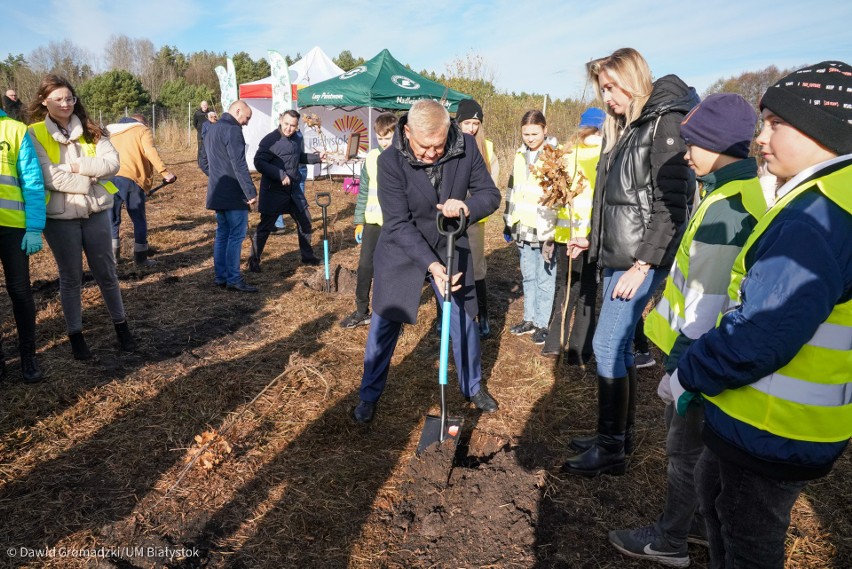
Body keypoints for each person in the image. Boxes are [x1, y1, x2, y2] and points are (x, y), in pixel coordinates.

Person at [669, 61, 852, 569]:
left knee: (749, 538)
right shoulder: (834, 198)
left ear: (823, 128)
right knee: (719, 504)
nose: (760, 138)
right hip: (776, 422)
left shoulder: (816, 218)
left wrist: (691, 371)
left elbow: (762, 332)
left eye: (775, 123)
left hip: (772, 427)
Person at [607, 93, 766, 567]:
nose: (686, 152)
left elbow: (706, 301)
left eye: (694, 143)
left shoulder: (727, 208)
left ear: (721, 145)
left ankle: (670, 540)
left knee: (683, 452)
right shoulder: (736, 192)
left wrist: (681, 372)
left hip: (697, 356)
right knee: (700, 454)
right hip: (711, 355)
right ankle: (696, 523)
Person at [563, 48, 698, 477]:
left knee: (605, 346)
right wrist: (591, 238)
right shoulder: (629, 127)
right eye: (601, 89)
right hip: (618, 255)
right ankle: (617, 435)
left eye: (610, 87)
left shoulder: (665, 123)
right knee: (617, 346)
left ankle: (611, 450)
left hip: (638, 260)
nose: (606, 98)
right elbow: (617, 198)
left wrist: (642, 265)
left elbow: (670, 205)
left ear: (631, 79)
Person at [353, 99, 501, 423]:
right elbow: (396, 223)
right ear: (407, 132)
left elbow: (491, 195)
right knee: (384, 323)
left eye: (438, 145)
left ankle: (472, 386)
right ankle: (369, 394)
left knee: (463, 319)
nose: (433, 153)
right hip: (402, 250)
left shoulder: (466, 147)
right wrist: (433, 268)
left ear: (448, 131)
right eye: (425, 147)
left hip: (450, 243)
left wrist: (465, 207)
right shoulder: (390, 161)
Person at [27, 74, 137, 360]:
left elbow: (112, 164)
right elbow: (47, 175)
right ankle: (76, 336)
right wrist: (89, 180)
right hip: (60, 218)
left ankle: (121, 327)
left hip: (96, 211)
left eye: (69, 98)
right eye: (59, 99)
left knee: (107, 272)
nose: (65, 104)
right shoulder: (34, 133)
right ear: (45, 101)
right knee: (70, 277)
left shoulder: (92, 130)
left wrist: (77, 166)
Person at [540, 108, 604, 365]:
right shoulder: (606, 156)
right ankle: (580, 350)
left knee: (564, 288)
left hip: (565, 235)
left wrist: (548, 235)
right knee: (588, 289)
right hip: (592, 235)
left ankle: (554, 343)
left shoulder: (565, 155)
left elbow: (552, 200)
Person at [504, 110, 559, 345]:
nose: (530, 138)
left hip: (545, 227)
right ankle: (529, 319)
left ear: (545, 130)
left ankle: (542, 323)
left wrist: (558, 231)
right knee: (528, 275)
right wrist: (508, 221)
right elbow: (512, 189)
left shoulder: (555, 156)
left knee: (544, 277)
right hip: (522, 225)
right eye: (525, 134)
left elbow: (561, 196)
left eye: (534, 133)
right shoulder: (519, 155)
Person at [0, 107, 46, 382]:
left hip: (14, 229)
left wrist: (34, 227)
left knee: (19, 291)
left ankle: (28, 354)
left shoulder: (15, 129)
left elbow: (32, 180)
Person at [339, 112, 398, 329]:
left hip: (394, 225)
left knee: (389, 270)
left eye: (388, 138)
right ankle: (361, 311)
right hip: (372, 222)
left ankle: (392, 317)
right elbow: (363, 190)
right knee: (365, 266)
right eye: (380, 138)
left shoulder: (402, 157)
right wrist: (359, 221)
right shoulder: (371, 158)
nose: (384, 143)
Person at [249, 110, 323, 272]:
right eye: (287, 124)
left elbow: (299, 157)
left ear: (298, 126)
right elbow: (259, 162)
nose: (289, 128)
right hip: (273, 191)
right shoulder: (270, 140)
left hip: (293, 190)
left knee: (305, 221)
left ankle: (307, 256)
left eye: (293, 126)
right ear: (281, 120)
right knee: (265, 227)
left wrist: (317, 158)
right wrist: (279, 174)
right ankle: (253, 260)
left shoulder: (296, 138)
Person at [450, 98, 499, 338]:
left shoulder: (486, 148)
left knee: (476, 268)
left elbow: (491, 189)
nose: (471, 128)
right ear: (458, 122)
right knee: (449, 265)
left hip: (473, 220)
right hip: (448, 218)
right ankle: (445, 317)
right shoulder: (448, 144)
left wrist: (470, 206)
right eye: (467, 122)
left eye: (476, 123)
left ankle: (483, 317)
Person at [199, 99, 258, 293]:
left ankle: (221, 277)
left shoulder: (211, 129)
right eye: (246, 118)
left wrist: (217, 178)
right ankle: (233, 278)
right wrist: (250, 192)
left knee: (222, 234)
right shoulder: (233, 130)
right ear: (238, 110)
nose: (246, 123)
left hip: (218, 192)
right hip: (234, 194)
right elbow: (239, 164)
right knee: (235, 236)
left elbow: (203, 162)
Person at [106, 114, 177, 266]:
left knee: (112, 219)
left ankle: (113, 258)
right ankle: (141, 259)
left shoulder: (110, 131)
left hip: (109, 179)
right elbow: (150, 151)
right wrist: (165, 173)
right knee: (138, 219)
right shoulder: (141, 130)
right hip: (131, 179)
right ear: (142, 123)